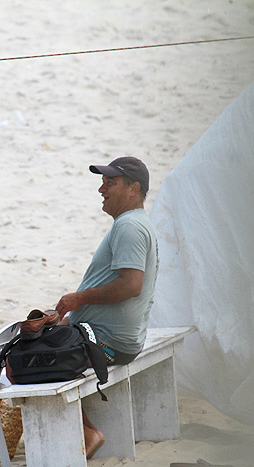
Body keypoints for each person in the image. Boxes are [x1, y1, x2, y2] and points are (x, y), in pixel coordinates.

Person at [55, 156, 159, 459]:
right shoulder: (132, 223)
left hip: (109, 342)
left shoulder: (129, 227)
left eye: (109, 183)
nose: (102, 189)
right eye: (103, 182)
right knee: (43, 337)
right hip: (108, 336)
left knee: (28, 359)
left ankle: (88, 434)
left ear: (133, 188)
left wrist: (78, 299)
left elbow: (130, 285)